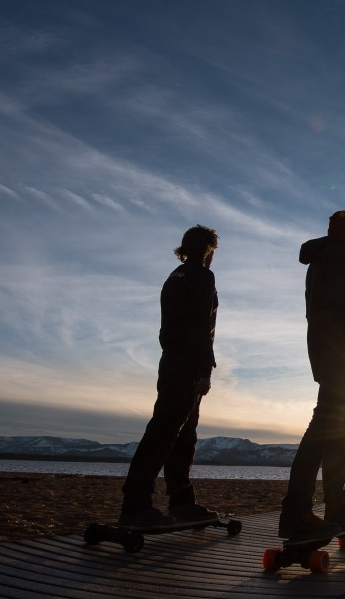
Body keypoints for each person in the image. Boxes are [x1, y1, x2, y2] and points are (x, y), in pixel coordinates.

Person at [278, 210, 345, 541]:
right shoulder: (337, 256)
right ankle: (296, 513)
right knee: (324, 428)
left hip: (330, 354)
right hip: (338, 356)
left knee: (336, 430)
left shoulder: (326, 256)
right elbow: (340, 310)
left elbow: (329, 310)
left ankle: (337, 507)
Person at [119, 225, 221, 529]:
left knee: (183, 435)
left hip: (171, 360)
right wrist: (204, 369)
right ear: (208, 249)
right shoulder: (201, 275)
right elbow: (200, 324)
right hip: (187, 362)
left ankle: (182, 502)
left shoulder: (173, 278)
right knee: (164, 431)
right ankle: (135, 504)